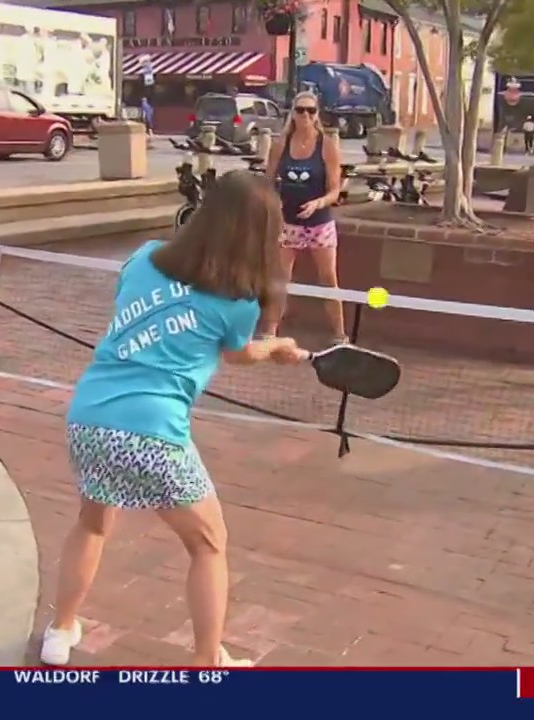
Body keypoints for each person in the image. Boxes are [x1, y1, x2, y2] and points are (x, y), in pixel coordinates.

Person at [39, 170, 306, 668]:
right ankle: (208, 662)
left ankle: (60, 631)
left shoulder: (142, 258)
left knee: (93, 523)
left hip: (89, 415)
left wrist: (269, 347)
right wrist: (277, 349)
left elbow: (147, 316)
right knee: (209, 544)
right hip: (153, 433)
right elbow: (240, 354)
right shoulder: (239, 303)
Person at [257, 90, 346, 345]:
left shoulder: (326, 145)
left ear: (317, 114)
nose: (305, 115)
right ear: (292, 114)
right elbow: (269, 182)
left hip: (319, 222)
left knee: (328, 278)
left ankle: (339, 334)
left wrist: (318, 203)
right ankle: (270, 331)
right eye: (300, 110)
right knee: (281, 277)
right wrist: (275, 203)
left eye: (311, 110)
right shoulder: (281, 144)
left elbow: (334, 189)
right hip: (288, 223)